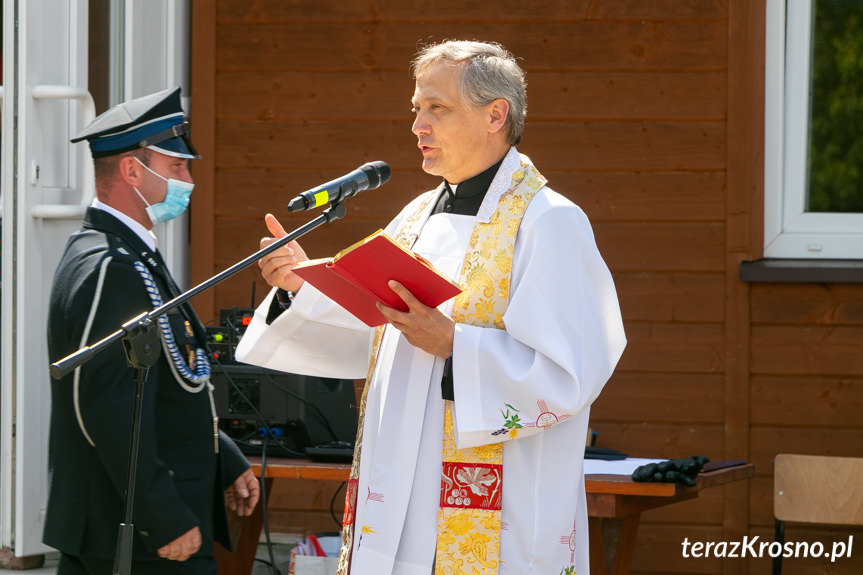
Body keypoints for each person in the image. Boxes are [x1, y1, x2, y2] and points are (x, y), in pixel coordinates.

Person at [236, 40, 626, 575]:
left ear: (496, 114)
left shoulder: (548, 221)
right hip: (397, 487)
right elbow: (375, 325)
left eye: (436, 108)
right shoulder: (417, 216)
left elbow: (571, 373)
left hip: (496, 509)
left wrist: (456, 345)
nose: (418, 125)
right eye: (416, 109)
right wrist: (302, 286)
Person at [46, 87, 259, 575]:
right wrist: (159, 514)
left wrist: (220, 454)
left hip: (153, 520)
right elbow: (105, 408)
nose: (189, 179)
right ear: (131, 172)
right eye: (177, 168)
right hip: (133, 534)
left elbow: (164, 383)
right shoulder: (109, 265)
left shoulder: (133, 254)